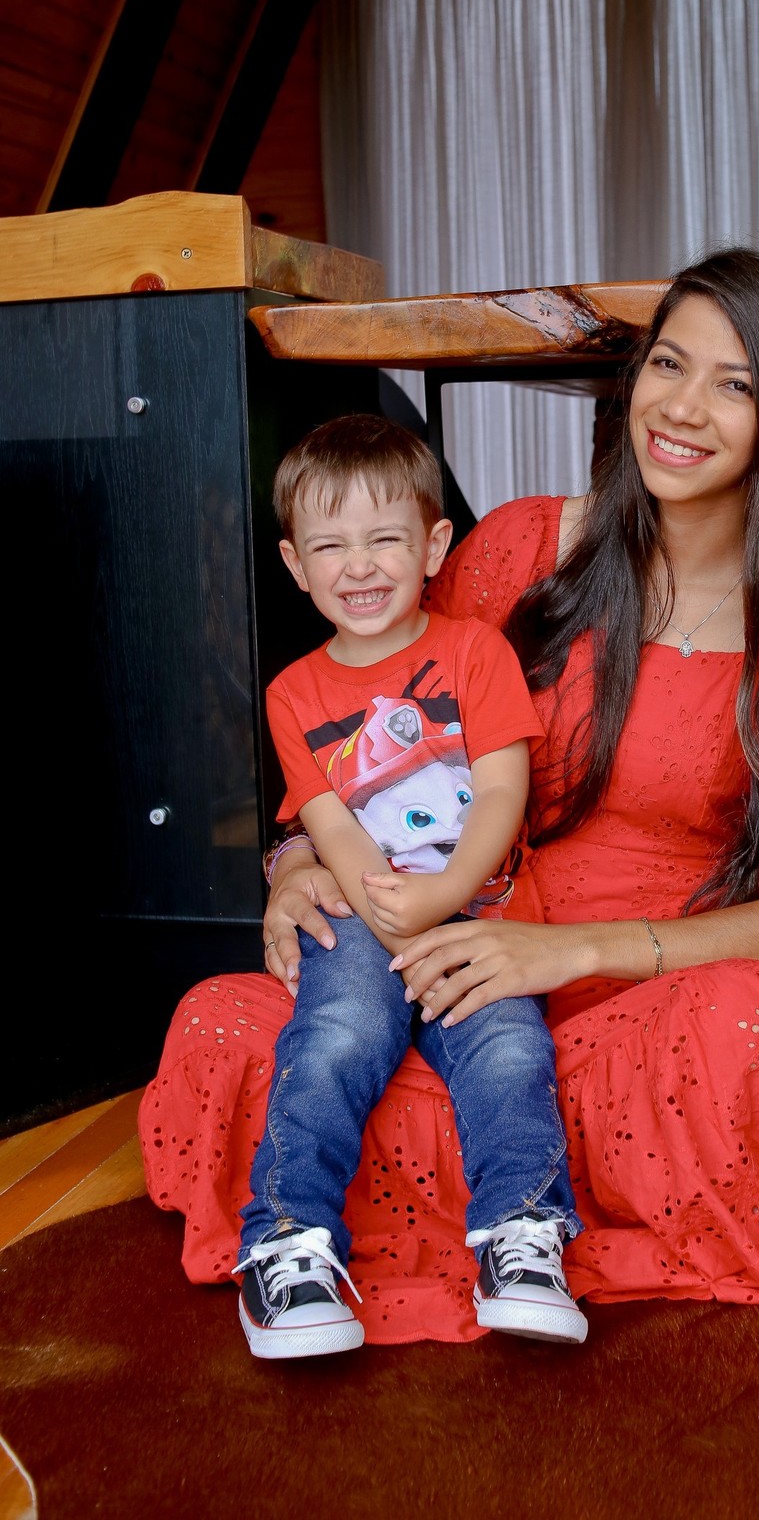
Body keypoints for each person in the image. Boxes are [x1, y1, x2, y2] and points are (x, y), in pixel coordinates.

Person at [139, 247, 759, 1345]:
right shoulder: (521, 550)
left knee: (743, 1027)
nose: (681, 408)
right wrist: (302, 862)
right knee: (219, 1022)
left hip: (640, 1002)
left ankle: (503, 1220)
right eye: (668, 364)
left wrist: (571, 952)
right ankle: (397, 1232)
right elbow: (366, 716)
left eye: (734, 384)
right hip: (438, 965)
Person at [227, 414, 586, 1359]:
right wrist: (395, 919)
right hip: (365, 915)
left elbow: (502, 790)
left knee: (509, 1048)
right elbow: (332, 825)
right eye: (329, 546)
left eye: (384, 539)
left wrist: (447, 893)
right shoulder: (293, 693)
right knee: (337, 1035)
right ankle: (286, 1242)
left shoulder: (474, 653)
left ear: (433, 546)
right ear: (295, 565)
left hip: (481, 910)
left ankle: (523, 1237)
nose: (359, 566)